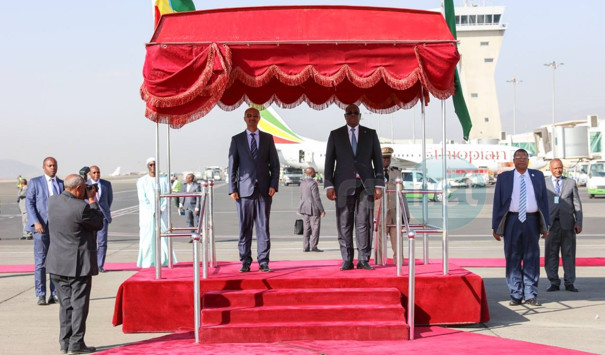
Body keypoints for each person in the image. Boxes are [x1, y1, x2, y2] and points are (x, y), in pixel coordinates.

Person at [47, 174, 104, 354]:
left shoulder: (52, 202)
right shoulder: (81, 207)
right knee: (79, 305)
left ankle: (65, 343)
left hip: (57, 264)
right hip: (77, 266)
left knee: (65, 305)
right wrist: (93, 199)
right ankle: (76, 344)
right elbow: (98, 223)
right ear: (79, 189)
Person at [324, 104, 384, 271]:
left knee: (364, 222)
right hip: (343, 185)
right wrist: (329, 185)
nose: (352, 115)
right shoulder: (336, 135)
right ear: (345, 116)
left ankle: (364, 259)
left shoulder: (370, 134)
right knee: (344, 223)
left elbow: (378, 161)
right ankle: (347, 259)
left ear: (359, 115)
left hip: (366, 185)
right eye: (349, 113)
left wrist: (379, 184)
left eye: (355, 113)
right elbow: (329, 162)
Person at [492, 149, 550, 306]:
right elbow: (497, 202)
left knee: (531, 258)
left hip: (531, 221)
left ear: (528, 160)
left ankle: (530, 293)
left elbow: (544, 201)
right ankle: (516, 294)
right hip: (512, 221)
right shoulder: (504, 178)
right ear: (514, 160)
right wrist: (495, 226)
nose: (522, 160)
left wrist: (546, 225)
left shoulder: (537, 176)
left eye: (524, 158)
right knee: (513, 258)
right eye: (518, 158)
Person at [228, 107, 280, 273]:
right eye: (249, 116)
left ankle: (263, 261)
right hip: (244, 192)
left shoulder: (267, 138)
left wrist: (273, 184)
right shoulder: (237, 139)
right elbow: (232, 166)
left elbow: (275, 165)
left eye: (255, 116)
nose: (252, 118)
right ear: (244, 118)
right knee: (245, 227)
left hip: (264, 190)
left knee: (263, 227)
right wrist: (232, 189)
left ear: (259, 119)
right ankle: (245, 261)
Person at [26, 157, 64, 305]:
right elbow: (29, 203)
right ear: (44, 167)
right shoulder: (35, 182)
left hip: (57, 229)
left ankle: (54, 293)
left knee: (56, 262)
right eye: (49, 165)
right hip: (41, 228)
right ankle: (41, 294)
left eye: (54, 165)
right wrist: (35, 222)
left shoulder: (61, 184)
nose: (53, 168)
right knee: (41, 262)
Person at [544, 159, 583, 292]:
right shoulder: (544, 183)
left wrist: (579, 222)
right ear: (550, 169)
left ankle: (569, 282)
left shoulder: (571, 183)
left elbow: (577, 204)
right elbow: (540, 205)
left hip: (568, 225)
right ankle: (554, 282)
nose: (558, 170)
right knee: (551, 254)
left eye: (560, 168)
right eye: (555, 168)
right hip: (550, 226)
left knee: (569, 254)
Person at [136, 157, 177, 268]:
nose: (153, 167)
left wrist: (161, 209)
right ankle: (147, 262)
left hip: (162, 213)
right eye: (151, 165)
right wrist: (153, 211)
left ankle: (165, 261)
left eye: (154, 164)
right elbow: (143, 199)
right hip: (147, 215)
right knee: (147, 237)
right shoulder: (141, 181)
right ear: (147, 166)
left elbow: (168, 196)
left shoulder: (164, 180)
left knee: (164, 236)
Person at [374, 147, 410, 264]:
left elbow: (402, 195)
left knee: (398, 243)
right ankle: (378, 265)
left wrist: (406, 214)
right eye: (383, 158)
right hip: (379, 213)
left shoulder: (396, 172)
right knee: (378, 244)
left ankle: (399, 266)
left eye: (388, 158)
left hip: (395, 213)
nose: (386, 160)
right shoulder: (374, 173)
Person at [88, 165, 113, 273]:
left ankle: (99, 265)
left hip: (102, 217)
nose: (96, 174)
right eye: (94, 172)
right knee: (90, 242)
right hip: (90, 218)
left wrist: (104, 211)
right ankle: (90, 264)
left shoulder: (106, 184)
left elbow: (109, 200)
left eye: (98, 172)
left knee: (102, 242)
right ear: (90, 174)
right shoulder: (85, 184)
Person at [298, 167, 325, 252]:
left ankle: (305, 247)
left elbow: (302, 195)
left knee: (306, 228)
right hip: (313, 208)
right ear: (311, 173)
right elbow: (316, 198)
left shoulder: (302, 183)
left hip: (305, 207)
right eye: (314, 172)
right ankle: (314, 246)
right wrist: (322, 210)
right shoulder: (313, 183)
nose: (315, 173)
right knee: (315, 228)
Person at [179, 173, 201, 242]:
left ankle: (198, 236)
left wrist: (197, 207)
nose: (186, 179)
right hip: (187, 207)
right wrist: (181, 204)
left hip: (194, 207)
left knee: (197, 222)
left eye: (187, 178)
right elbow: (183, 195)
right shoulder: (185, 186)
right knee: (189, 222)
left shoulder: (196, 186)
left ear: (191, 178)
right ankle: (192, 236)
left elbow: (198, 198)